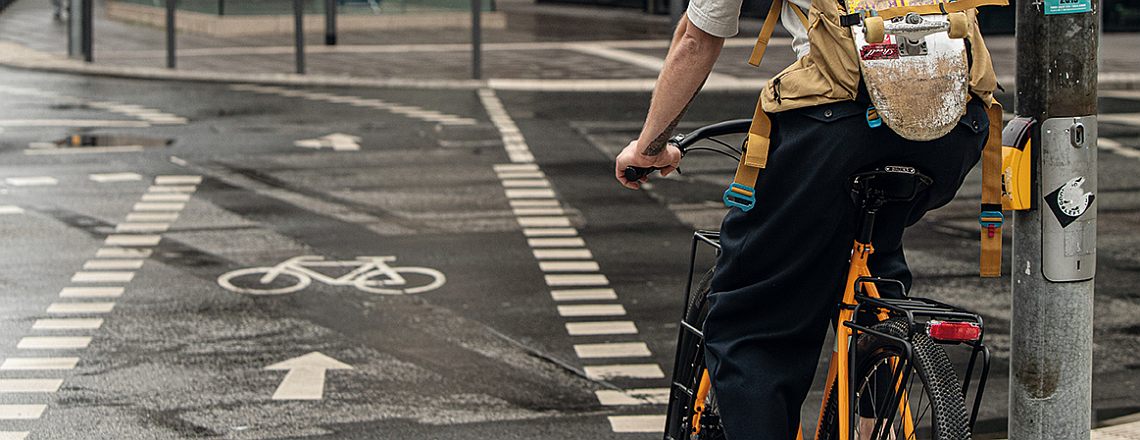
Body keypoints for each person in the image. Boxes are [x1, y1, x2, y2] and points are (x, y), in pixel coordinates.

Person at [613, 0, 1001, 437]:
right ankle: (876, 418)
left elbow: (696, 38)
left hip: (835, 129)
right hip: (953, 128)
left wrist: (649, 147)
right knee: (874, 259)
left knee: (755, 321)